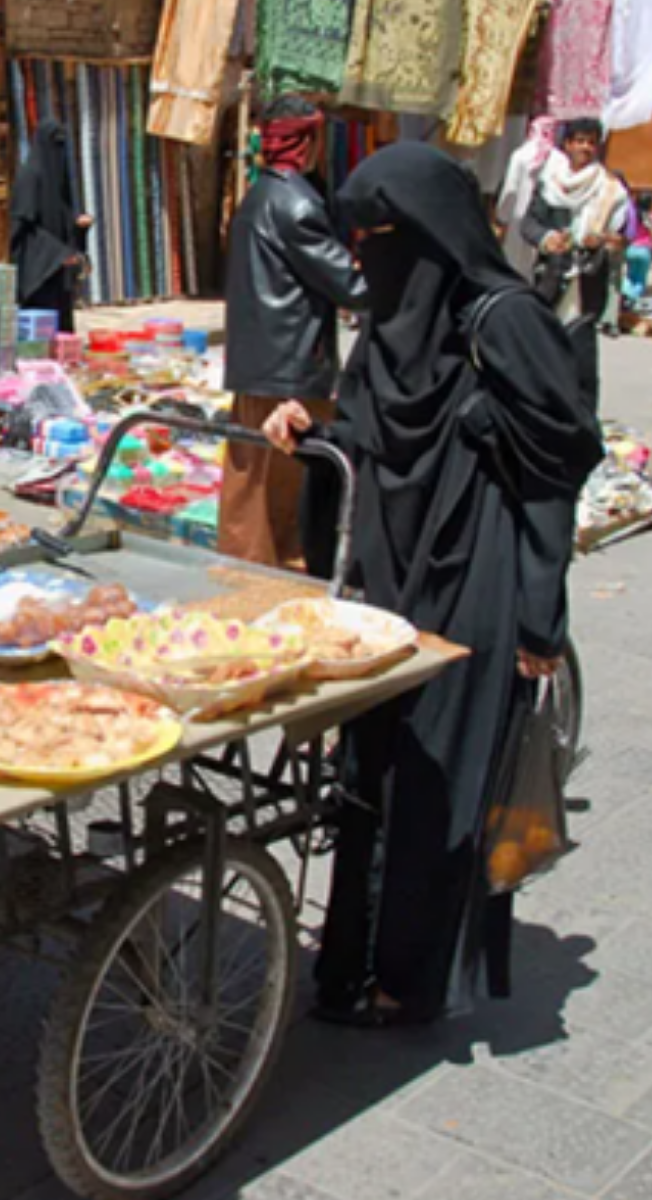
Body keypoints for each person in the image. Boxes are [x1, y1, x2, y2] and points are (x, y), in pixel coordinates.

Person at [262, 143, 603, 1026]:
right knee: (369, 774)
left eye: (382, 237)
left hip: (475, 578)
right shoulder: (388, 322)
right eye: (360, 237)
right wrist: (314, 426)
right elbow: (373, 431)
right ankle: (347, 964)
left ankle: (406, 982)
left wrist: (539, 618)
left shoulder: (504, 320)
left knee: (441, 783)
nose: (370, 255)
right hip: (389, 578)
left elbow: (555, 470)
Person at [219, 95, 367, 570]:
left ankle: (244, 585)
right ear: (307, 143)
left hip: (257, 364)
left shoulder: (258, 196)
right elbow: (350, 284)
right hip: (290, 369)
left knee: (250, 490)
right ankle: (267, 591)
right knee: (283, 499)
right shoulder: (297, 204)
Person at [523, 118, 629, 323]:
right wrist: (547, 239)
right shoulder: (550, 181)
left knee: (579, 344)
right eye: (580, 141)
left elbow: (622, 236)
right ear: (567, 145)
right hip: (551, 277)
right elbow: (529, 224)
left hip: (588, 279)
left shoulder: (611, 188)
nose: (585, 147)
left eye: (591, 143)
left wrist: (604, 240)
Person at [10, 119, 92, 334]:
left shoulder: (58, 179)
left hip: (59, 274)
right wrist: (58, 253)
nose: (59, 151)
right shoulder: (29, 177)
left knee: (62, 334)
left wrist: (78, 227)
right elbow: (22, 231)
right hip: (39, 276)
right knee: (40, 334)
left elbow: (61, 222)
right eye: (56, 144)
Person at [495, 116, 560, 279]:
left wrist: (502, 216)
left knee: (513, 263)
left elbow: (510, 189)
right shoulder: (560, 159)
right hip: (545, 221)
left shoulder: (521, 155)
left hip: (519, 215)